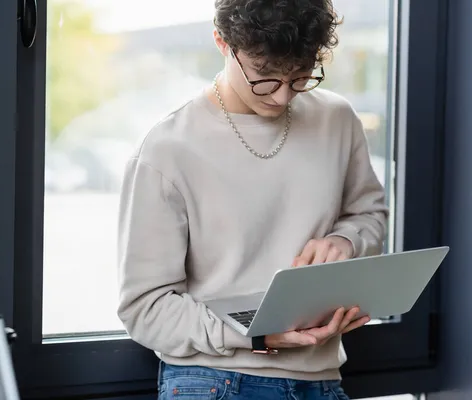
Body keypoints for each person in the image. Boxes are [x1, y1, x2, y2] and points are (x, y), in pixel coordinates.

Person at [116, 0, 389, 398]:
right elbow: (145, 308)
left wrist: (346, 242)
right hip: (213, 382)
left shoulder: (337, 119)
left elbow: (369, 215)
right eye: (264, 77)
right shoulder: (167, 150)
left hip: (322, 379)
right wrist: (257, 335)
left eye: (300, 77)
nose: (281, 97)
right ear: (222, 43)